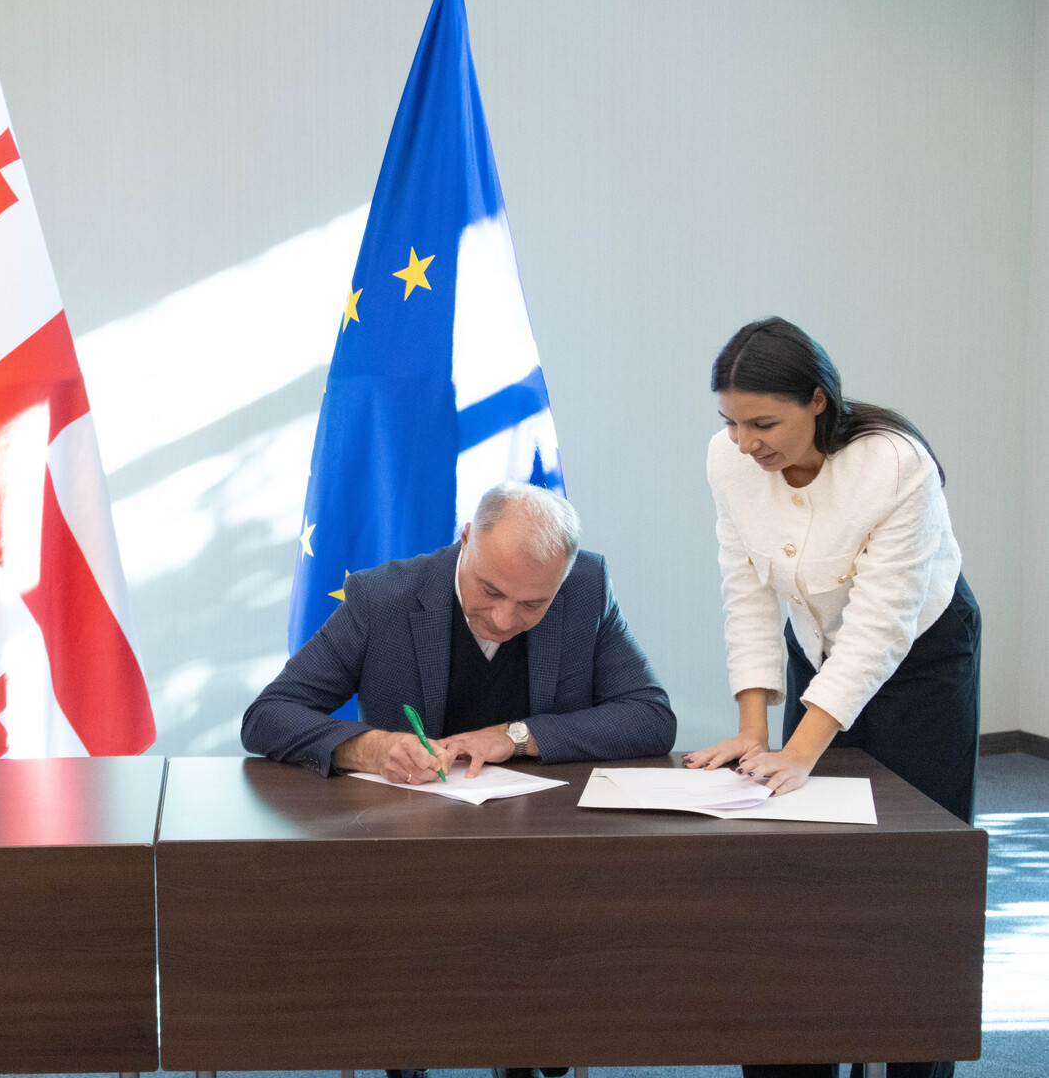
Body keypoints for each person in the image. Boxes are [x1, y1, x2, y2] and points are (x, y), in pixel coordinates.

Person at [687, 317, 977, 1078]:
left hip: (921, 654)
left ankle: (913, 1053)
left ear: (817, 401)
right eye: (731, 422)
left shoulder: (895, 465)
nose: (744, 443)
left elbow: (881, 625)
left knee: (916, 863)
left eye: (763, 424)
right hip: (817, 642)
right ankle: (806, 1039)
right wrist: (755, 731)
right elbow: (747, 589)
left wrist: (801, 749)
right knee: (804, 852)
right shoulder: (728, 461)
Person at [243, 482, 675, 785]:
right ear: (466, 539)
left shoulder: (586, 587)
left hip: (547, 833)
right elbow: (268, 714)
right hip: (408, 833)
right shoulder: (382, 598)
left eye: (532, 604)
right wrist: (371, 749)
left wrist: (515, 737)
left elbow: (651, 717)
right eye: (491, 591)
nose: (503, 620)